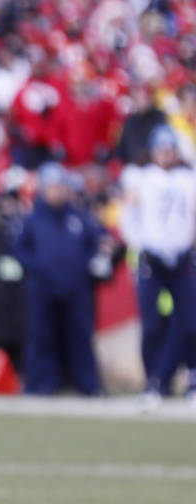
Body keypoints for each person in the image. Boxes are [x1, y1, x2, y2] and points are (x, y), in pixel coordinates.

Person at [12, 164, 105, 396]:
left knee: (80, 336)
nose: (57, 191)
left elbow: (95, 245)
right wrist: (38, 267)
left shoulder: (78, 217)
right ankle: (41, 384)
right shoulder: (33, 218)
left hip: (75, 287)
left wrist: (83, 266)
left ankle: (88, 384)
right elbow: (19, 249)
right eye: (52, 186)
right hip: (43, 287)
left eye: (60, 186)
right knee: (42, 336)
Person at [119, 126, 196, 402]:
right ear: (152, 151)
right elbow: (128, 217)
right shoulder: (140, 178)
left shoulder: (188, 178)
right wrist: (141, 245)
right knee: (152, 324)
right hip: (152, 259)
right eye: (161, 149)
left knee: (190, 322)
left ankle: (192, 378)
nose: (166, 155)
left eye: (170, 149)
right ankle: (153, 382)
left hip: (183, 258)